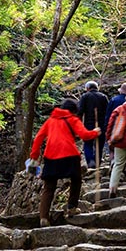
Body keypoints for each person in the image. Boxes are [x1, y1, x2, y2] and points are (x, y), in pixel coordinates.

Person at [29, 97, 99, 227]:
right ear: (73, 110)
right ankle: (72, 207)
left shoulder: (50, 121)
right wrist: (95, 132)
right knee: (76, 180)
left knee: (49, 187)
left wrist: (34, 155)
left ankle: (43, 217)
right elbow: (84, 135)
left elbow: (38, 138)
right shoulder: (73, 119)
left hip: (51, 156)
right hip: (70, 155)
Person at [76, 80, 108, 169]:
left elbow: (80, 111)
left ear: (87, 88)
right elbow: (107, 111)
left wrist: (78, 124)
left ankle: (90, 161)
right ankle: (97, 161)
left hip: (88, 124)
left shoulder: (85, 96)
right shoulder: (103, 96)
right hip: (101, 124)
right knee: (100, 144)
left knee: (88, 143)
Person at [103, 82, 126, 159]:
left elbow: (108, 115)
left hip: (114, 126)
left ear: (120, 91)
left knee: (113, 146)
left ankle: (113, 161)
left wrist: (106, 127)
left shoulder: (114, 100)